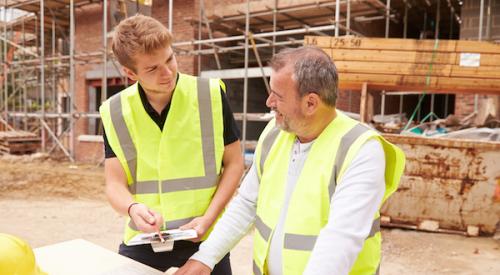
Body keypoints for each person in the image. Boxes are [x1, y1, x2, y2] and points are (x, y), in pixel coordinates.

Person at [175, 46, 406, 275]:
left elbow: (341, 238)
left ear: (311, 103)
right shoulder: (274, 134)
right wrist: (206, 257)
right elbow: (246, 203)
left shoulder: (361, 150)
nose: (268, 102)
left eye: (277, 95)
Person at [99, 14, 244, 273]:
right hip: (143, 240)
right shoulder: (114, 111)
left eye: (170, 59)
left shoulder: (210, 95)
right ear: (130, 73)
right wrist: (133, 208)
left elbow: (234, 164)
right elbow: (114, 184)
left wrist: (208, 220)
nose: (168, 73)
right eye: (153, 68)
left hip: (205, 235)